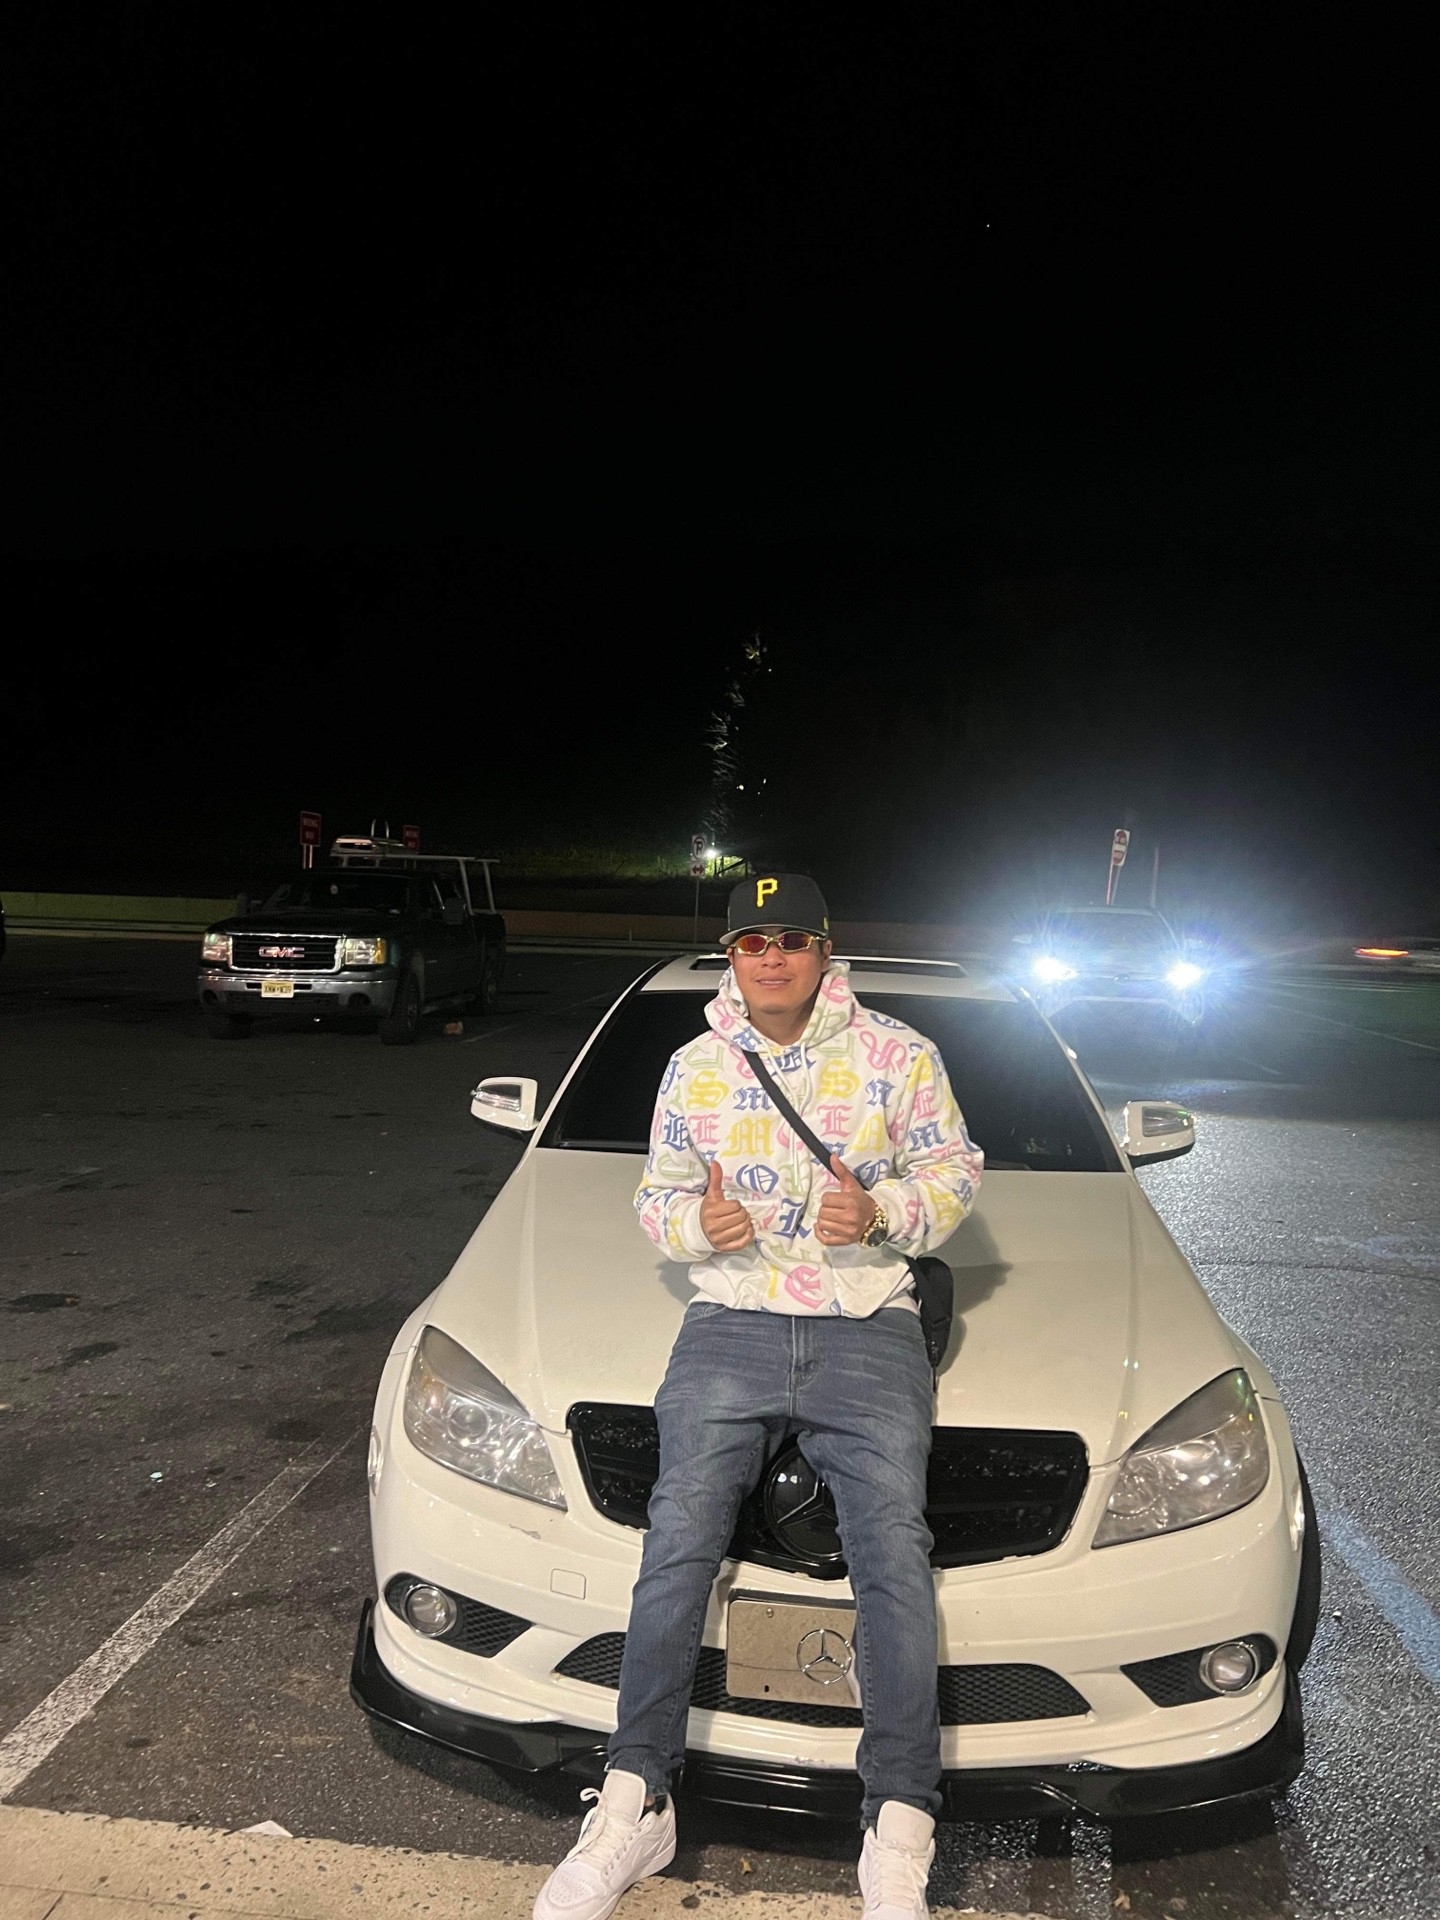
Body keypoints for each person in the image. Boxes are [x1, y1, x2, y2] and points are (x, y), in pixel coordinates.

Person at [533, 874, 984, 1920]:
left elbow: (957, 1172)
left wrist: (883, 1212)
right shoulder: (696, 1067)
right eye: (750, 942)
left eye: (789, 939)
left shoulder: (900, 1055)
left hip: (865, 1321)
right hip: (731, 1318)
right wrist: (699, 1229)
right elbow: (657, 1196)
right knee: (678, 1536)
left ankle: (898, 1826)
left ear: (825, 950)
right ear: (731, 958)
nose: (770, 957)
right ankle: (634, 1802)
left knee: (892, 1551)